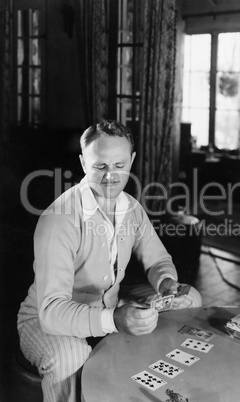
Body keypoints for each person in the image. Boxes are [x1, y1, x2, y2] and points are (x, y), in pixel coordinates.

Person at [17, 120, 202, 402]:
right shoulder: (60, 218)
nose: (110, 176)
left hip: (109, 308)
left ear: (132, 160)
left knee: (192, 299)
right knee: (71, 355)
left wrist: (167, 283)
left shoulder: (132, 208)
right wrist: (115, 319)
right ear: (83, 163)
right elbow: (52, 312)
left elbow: (158, 260)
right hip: (45, 321)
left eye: (119, 165)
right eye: (100, 166)